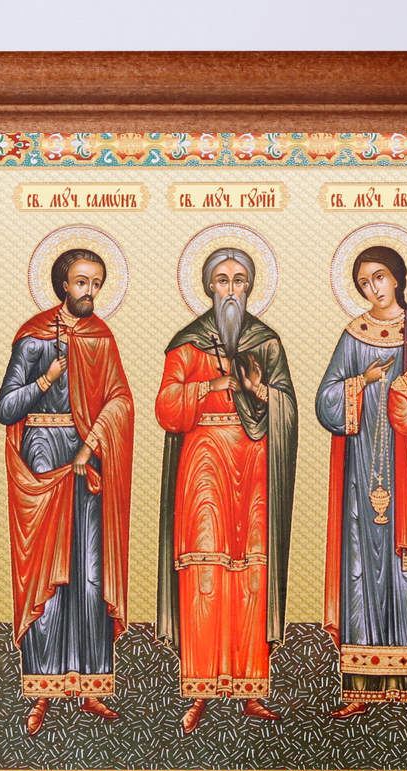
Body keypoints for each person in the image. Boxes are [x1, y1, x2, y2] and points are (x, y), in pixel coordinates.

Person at [155, 247, 298, 734]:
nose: (231, 289)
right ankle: (200, 690)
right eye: (222, 280)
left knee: (252, 571)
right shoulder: (187, 343)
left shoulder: (266, 343)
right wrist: (210, 386)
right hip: (203, 467)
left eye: (239, 280)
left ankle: (250, 688)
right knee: (206, 571)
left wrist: (259, 392)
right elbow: (166, 408)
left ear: (250, 287)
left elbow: (286, 407)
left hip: (254, 465)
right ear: (209, 287)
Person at [315, 246, 407, 735]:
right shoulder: (354, 335)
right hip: (361, 476)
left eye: (379, 277)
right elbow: (325, 400)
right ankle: (360, 691)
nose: (373, 288)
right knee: (361, 572)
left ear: (396, 278)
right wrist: (362, 381)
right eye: (363, 282)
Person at [0, 248, 134, 735]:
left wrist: (91, 443)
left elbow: (120, 398)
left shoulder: (101, 337)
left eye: (95, 283)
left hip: (87, 458)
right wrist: (46, 379)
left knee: (90, 572)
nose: (89, 291)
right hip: (42, 457)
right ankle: (42, 692)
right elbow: (6, 408)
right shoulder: (33, 337)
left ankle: (91, 687)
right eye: (80, 282)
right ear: (62, 285)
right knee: (48, 576)